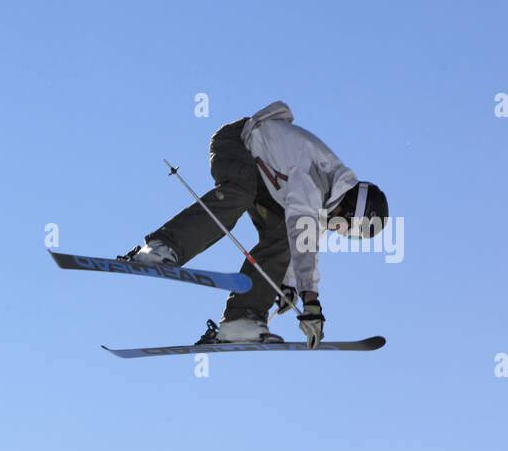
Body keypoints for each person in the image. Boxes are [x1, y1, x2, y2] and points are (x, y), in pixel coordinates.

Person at [123, 101, 388, 347]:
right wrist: (311, 301)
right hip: (238, 143)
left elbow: (305, 242)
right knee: (240, 192)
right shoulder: (317, 176)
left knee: (282, 234)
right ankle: (160, 247)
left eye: (349, 237)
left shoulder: (324, 200)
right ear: (351, 209)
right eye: (348, 229)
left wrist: (286, 283)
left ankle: (242, 319)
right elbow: (303, 230)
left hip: (266, 178)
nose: (339, 232)